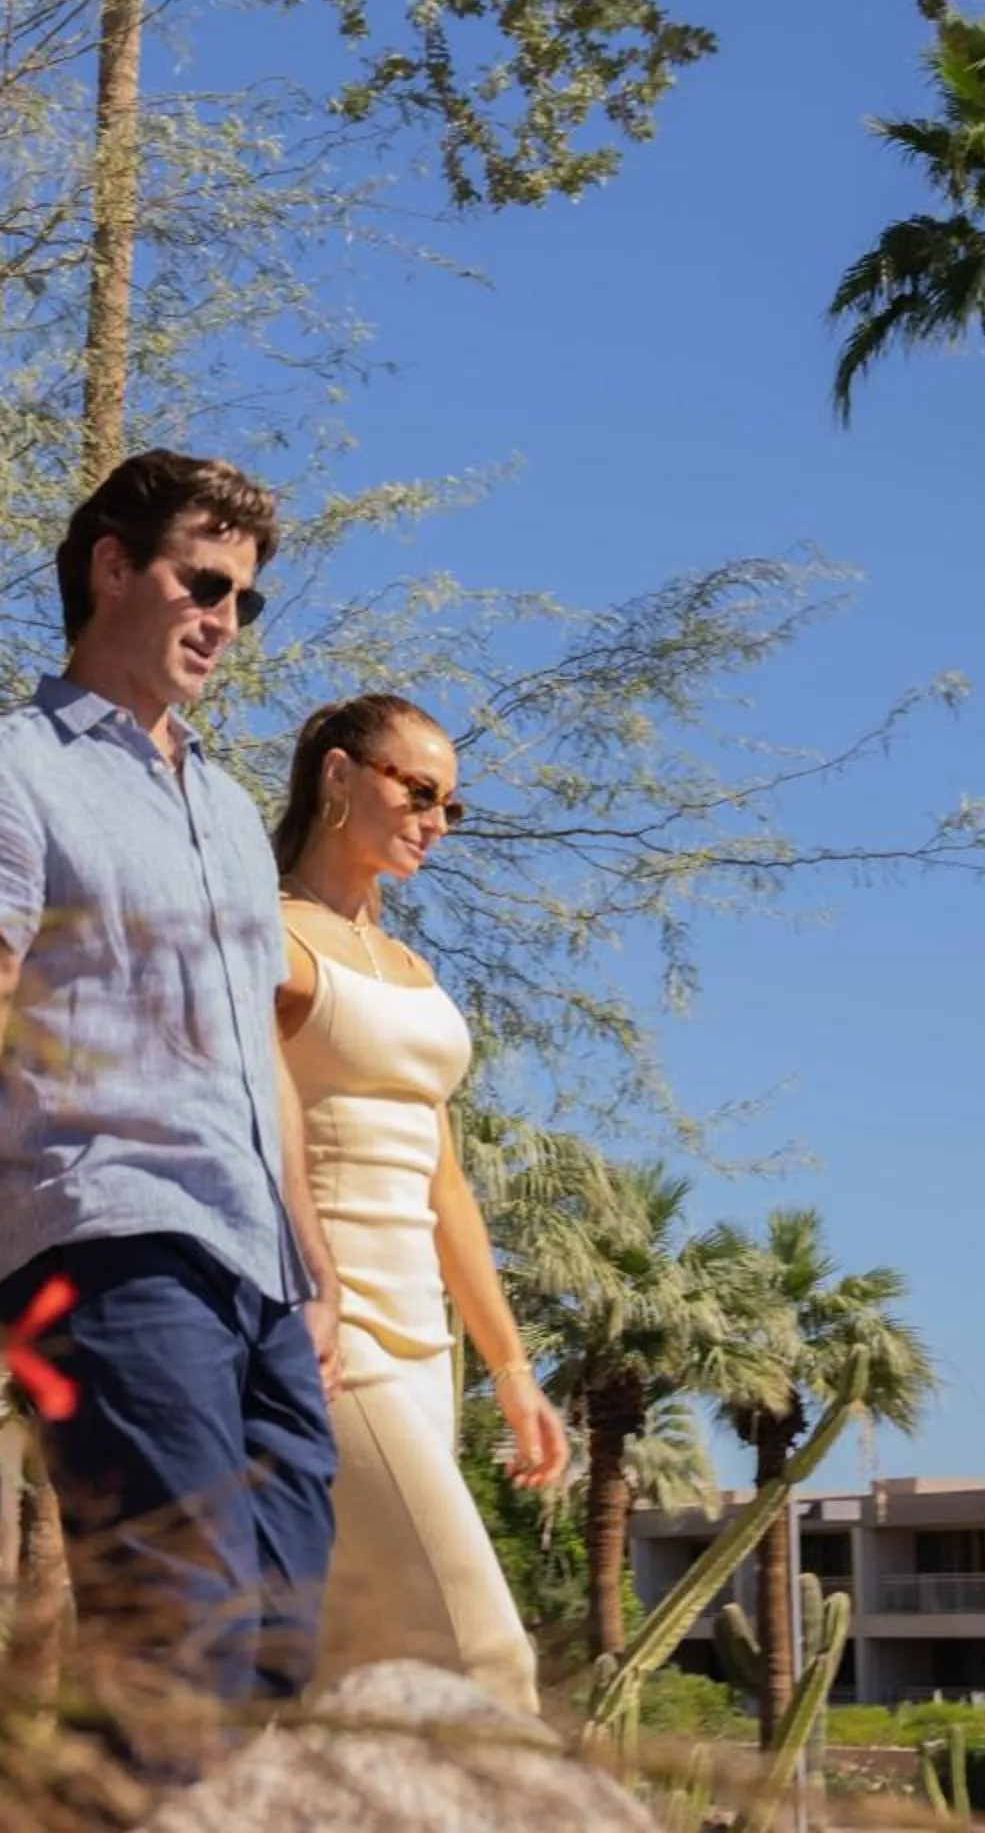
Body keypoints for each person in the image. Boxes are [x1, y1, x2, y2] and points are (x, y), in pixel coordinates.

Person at [0, 448, 344, 1715]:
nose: (226, 619)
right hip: (107, 1243)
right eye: (204, 582)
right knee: (184, 1635)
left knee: (277, 1645)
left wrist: (311, 1265)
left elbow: (258, 1055)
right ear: (110, 568)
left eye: (246, 598)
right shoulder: (5, 775)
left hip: (257, 1271)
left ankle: (91, 1797)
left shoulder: (231, 813)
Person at [267, 693, 571, 1714]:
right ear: (339, 775)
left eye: (453, 806)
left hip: (422, 1348)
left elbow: (445, 1186)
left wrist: (512, 1371)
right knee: (484, 1657)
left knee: (373, 1677)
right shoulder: (267, 938)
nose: (438, 820)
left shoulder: (412, 969)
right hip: (326, 1333)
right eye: (421, 791)